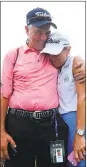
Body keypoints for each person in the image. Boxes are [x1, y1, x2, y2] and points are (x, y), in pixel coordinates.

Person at [1, 7, 85, 167]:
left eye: (46, 32)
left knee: (55, 164)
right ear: (26, 30)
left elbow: (70, 60)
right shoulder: (13, 55)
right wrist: (1, 132)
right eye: (38, 32)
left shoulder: (52, 54)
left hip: (51, 124)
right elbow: (4, 95)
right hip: (19, 124)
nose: (43, 37)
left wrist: (82, 64)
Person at [41, 31, 86, 167]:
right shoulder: (54, 68)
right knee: (64, 161)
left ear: (68, 50)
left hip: (76, 120)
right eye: (49, 54)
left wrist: (79, 134)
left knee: (78, 159)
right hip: (59, 122)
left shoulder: (75, 62)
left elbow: (82, 97)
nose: (52, 58)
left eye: (56, 54)